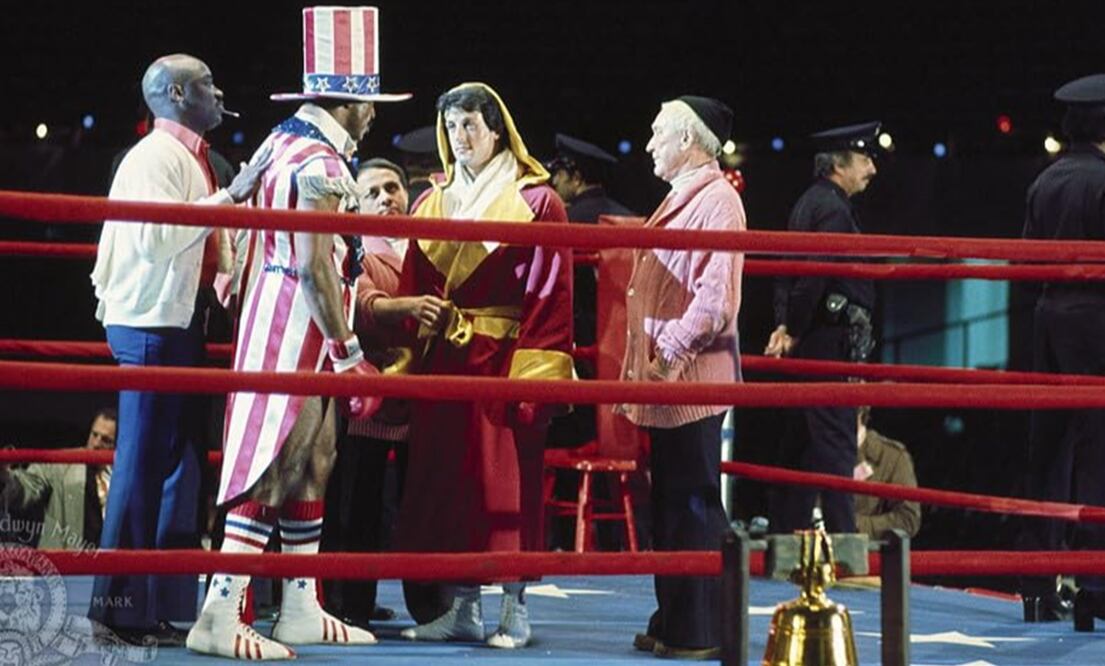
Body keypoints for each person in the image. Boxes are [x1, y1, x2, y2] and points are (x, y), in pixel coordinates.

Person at [186, 7, 413, 659]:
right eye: (367, 105)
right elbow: (316, 265)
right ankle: (219, 614)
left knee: (315, 458)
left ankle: (298, 605)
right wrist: (349, 357)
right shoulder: (320, 164)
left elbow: (231, 200)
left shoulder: (280, 140)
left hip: (284, 314)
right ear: (345, 104)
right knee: (273, 461)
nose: (372, 117)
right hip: (294, 323)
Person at [88, 52, 269, 647]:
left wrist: (229, 258)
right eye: (206, 84)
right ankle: (117, 607)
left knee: (180, 463)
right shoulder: (152, 158)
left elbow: (202, 240)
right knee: (141, 462)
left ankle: (161, 602)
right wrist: (228, 201)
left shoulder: (193, 158)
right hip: (149, 322)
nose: (219, 94)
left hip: (182, 319)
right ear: (173, 92)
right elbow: (156, 237)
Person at [391, 82, 573, 650]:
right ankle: (463, 606)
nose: (459, 137)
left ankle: (515, 609)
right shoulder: (430, 201)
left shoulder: (539, 201)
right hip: (446, 359)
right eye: (451, 127)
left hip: (506, 359)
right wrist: (405, 362)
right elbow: (412, 290)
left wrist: (535, 379)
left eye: (470, 124)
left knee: (508, 485)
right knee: (451, 483)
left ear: (498, 130)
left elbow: (551, 294)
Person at [618, 95, 745, 660]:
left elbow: (716, 299)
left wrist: (668, 351)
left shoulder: (718, 201)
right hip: (670, 377)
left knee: (692, 501)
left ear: (688, 141)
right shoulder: (686, 197)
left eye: (657, 133)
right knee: (671, 500)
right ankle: (676, 618)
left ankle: (699, 627)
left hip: (688, 376)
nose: (649, 145)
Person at [321, 158, 446, 628]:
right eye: (371, 191)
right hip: (367, 398)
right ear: (356, 200)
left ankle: (431, 607)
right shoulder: (352, 246)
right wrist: (411, 306)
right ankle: (349, 608)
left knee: (423, 505)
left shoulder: (428, 243)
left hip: (422, 397)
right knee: (358, 504)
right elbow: (363, 303)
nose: (384, 197)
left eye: (391, 187)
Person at [765, 121, 880, 535]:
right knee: (834, 438)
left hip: (813, 333)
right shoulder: (830, 207)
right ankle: (846, 544)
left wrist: (785, 324)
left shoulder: (811, 202)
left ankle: (785, 533)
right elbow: (813, 274)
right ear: (839, 164)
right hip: (826, 336)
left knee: (803, 439)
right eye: (865, 159)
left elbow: (786, 273)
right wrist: (792, 328)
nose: (872, 169)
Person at [1019, 73, 1105, 626]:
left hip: (1047, 317)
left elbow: (1027, 262)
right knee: (1098, 453)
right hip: (1095, 317)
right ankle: (1096, 588)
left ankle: (1036, 587)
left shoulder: (1045, 181)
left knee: (1046, 452)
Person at [0, 408, 117, 550]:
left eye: (105, 440)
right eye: (94, 435)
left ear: (117, 445)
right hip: (68, 565)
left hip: (108, 565)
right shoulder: (62, 463)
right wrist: (4, 475)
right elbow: (26, 487)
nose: (96, 443)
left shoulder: (123, 478)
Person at [853, 406, 921, 540]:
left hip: (865, 557)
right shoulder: (811, 452)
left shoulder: (891, 456)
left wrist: (852, 525)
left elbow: (907, 519)